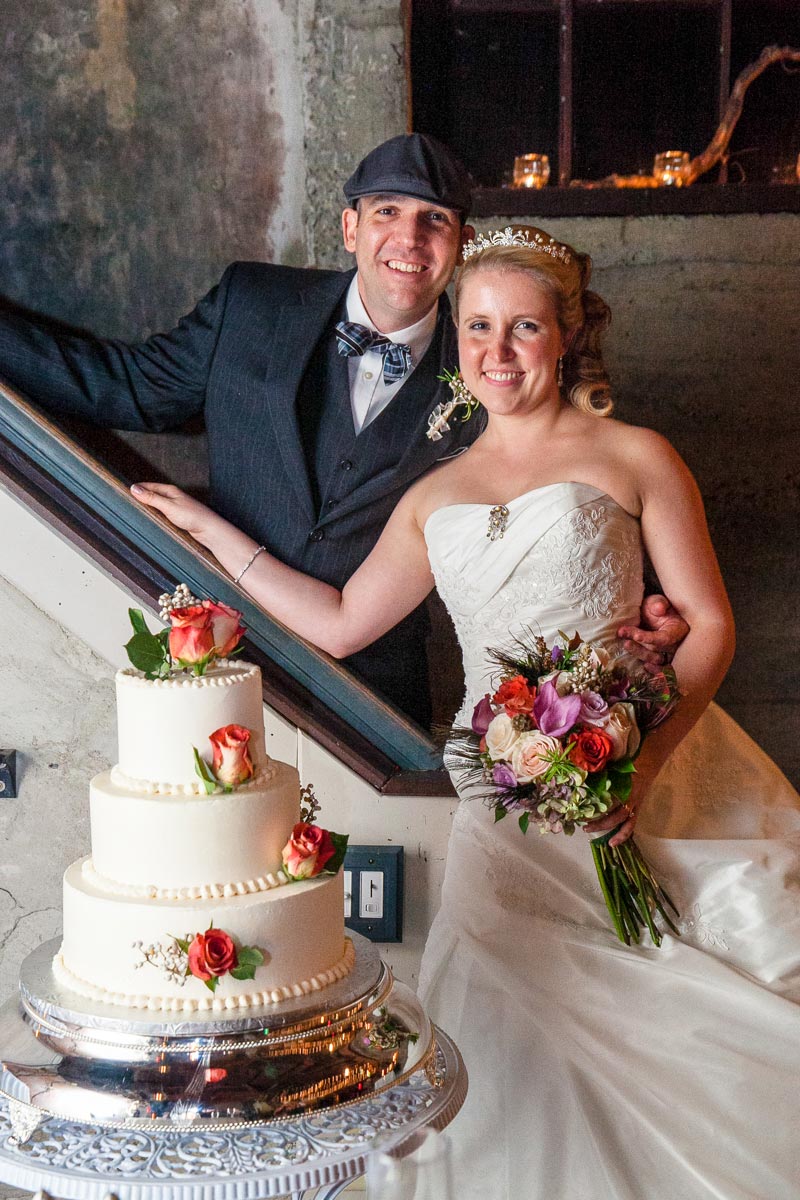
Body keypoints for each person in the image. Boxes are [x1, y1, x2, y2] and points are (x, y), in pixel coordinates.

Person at [132, 225, 800, 1199]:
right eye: (476, 325)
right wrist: (208, 532)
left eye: (522, 326)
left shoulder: (633, 455)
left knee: (671, 1005)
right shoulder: (433, 493)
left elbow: (704, 624)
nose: (495, 349)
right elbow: (341, 619)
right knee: (506, 1024)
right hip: (503, 804)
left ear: (564, 335)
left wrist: (639, 762)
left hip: (640, 771)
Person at [0, 133, 683, 724]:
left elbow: (571, 502)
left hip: (376, 700)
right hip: (209, 661)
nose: (409, 239)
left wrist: (649, 615)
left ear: (462, 245)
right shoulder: (252, 303)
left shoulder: (495, 368)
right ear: (351, 228)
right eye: (387, 212)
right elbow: (122, 388)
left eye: (435, 220)